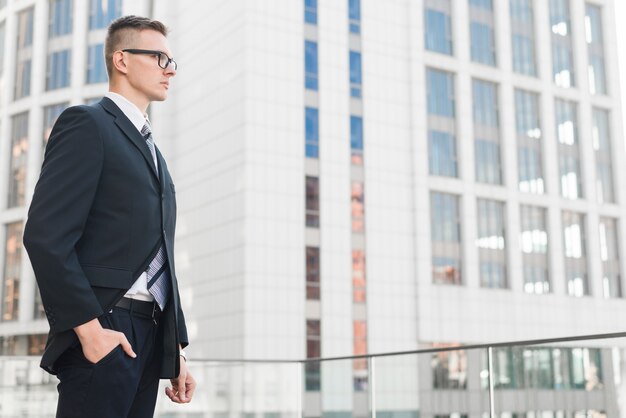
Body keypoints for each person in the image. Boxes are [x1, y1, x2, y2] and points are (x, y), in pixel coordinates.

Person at [23, 15, 195, 418]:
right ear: (121, 59)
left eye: (172, 61)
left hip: (150, 335)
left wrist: (176, 350)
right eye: (158, 58)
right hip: (105, 324)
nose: (169, 70)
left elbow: (162, 256)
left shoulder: (156, 154)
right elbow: (46, 236)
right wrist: (89, 329)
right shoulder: (87, 124)